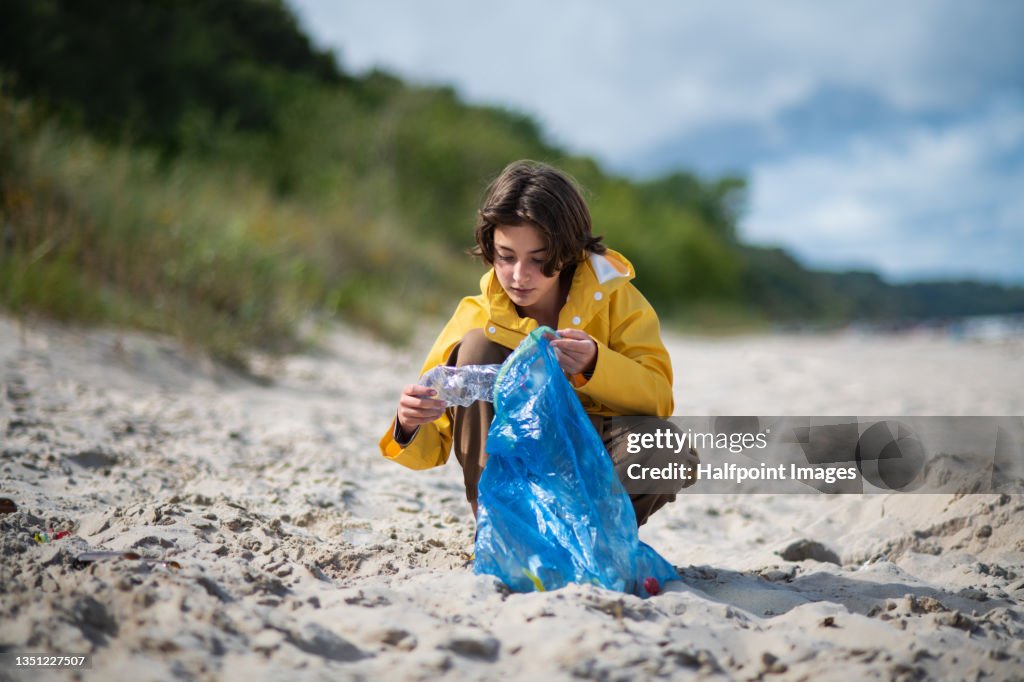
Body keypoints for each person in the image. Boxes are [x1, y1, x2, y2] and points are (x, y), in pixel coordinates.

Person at [379, 160, 698, 526]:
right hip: (513, 477)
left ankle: (585, 536)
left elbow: (658, 399)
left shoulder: (619, 300)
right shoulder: (475, 316)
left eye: (539, 259)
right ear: (490, 248)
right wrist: (408, 423)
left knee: (666, 446)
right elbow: (428, 449)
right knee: (478, 346)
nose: (519, 275)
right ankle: (503, 528)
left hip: (591, 469)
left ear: (568, 250)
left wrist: (595, 364)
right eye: (506, 256)